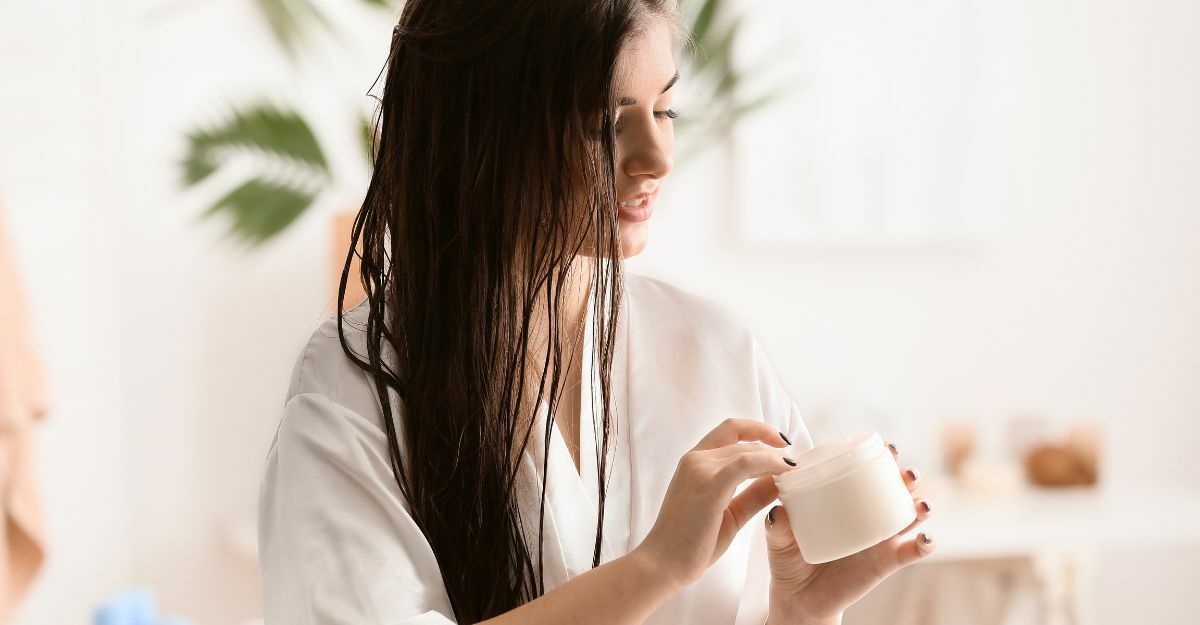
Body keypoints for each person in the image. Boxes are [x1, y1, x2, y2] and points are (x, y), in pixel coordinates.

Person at [256, 1, 936, 624]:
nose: (656, 157)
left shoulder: (715, 347)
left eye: (665, 111)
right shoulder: (353, 392)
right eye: (601, 123)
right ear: (481, 129)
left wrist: (800, 612)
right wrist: (655, 567)